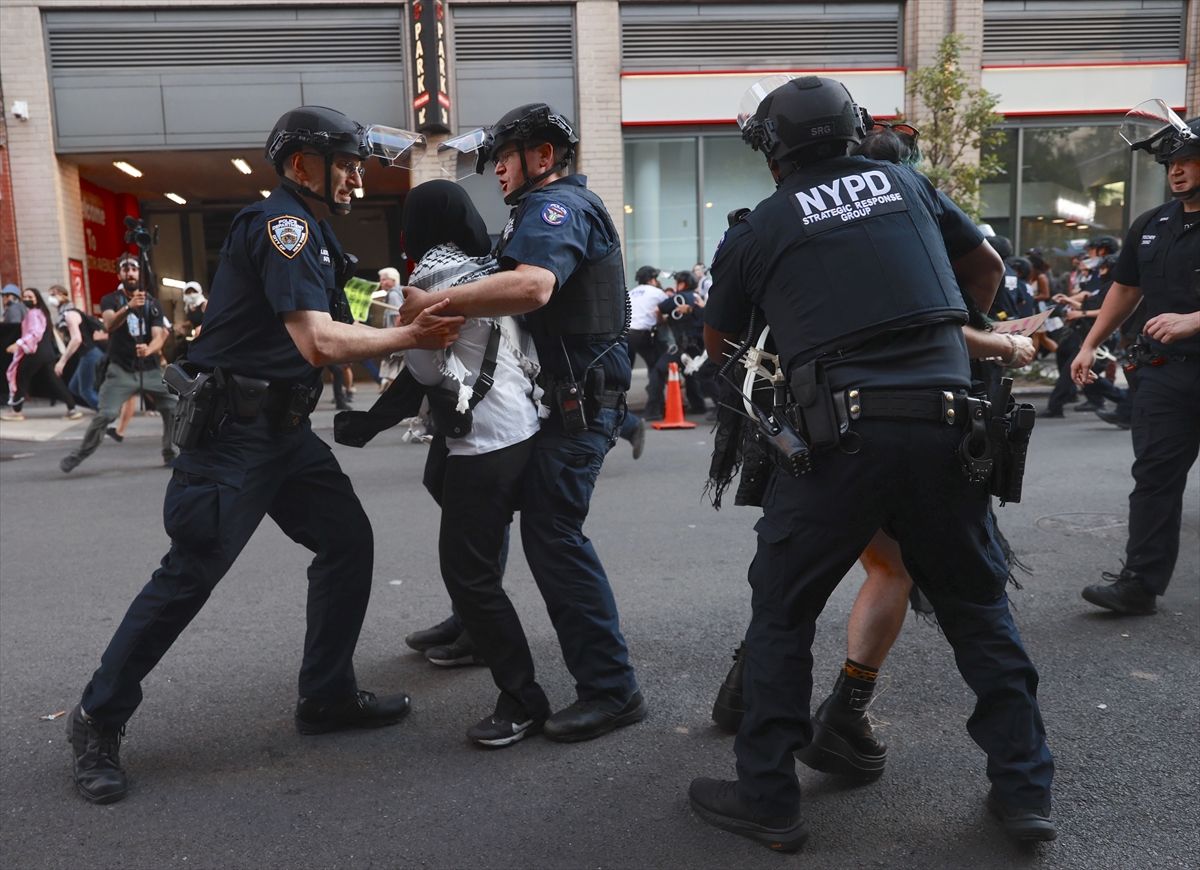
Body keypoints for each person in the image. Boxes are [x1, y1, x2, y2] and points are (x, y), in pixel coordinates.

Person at [689, 76, 1055, 851]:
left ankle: (768, 799)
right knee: (979, 608)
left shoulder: (762, 226)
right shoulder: (905, 184)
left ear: (772, 149)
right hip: (948, 427)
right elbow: (983, 270)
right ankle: (1024, 793)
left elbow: (721, 347)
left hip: (836, 442)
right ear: (855, 129)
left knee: (784, 611)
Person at [64, 105, 463, 805]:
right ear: (302, 164)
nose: (355, 176)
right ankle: (98, 717)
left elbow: (335, 324)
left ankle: (327, 697)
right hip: (234, 438)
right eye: (343, 163)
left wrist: (398, 312)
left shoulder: (313, 234)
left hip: (283, 432)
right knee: (189, 576)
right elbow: (318, 342)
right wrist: (412, 340)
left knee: (347, 541)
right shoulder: (283, 226)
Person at [401, 102, 646, 742]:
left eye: (504, 158)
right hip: (557, 398)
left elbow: (534, 288)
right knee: (455, 488)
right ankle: (475, 621)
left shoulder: (554, 208)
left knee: (552, 534)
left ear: (541, 156)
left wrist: (433, 301)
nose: (497, 172)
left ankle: (612, 690)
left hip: (580, 404)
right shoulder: (534, 211)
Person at [401, 179, 551, 746]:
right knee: (468, 544)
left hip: (481, 443)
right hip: (521, 430)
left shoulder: (428, 281)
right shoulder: (492, 271)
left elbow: (425, 371)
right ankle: (470, 635)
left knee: (469, 576)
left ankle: (522, 699)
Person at [1071, 105, 1200, 616]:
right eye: (1170, 161)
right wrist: (1088, 344)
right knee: (1154, 480)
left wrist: (1196, 319)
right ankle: (1139, 584)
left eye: (1188, 158)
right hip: (1166, 374)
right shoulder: (1152, 223)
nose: (1176, 168)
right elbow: (1126, 288)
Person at [59, 254, 177, 471]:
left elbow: (160, 334)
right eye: (125, 269)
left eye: (133, 269)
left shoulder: (152, 303)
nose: (130, 273)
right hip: (120, 369)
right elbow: (109, 325)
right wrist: (129, 307)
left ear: (140, 274)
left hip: (150, 369)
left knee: (173, 406)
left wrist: (148, 349)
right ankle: (79, 455)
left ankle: (170, 453)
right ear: (119, 274)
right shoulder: (110, 299)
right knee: (105, 414)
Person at [2, 287, 82, 421]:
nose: (27, 299)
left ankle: (16, 411)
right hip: (47, 353)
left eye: (30, 296)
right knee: (54, 381)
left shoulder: (34, 313)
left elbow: (34, 333)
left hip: (36, 353)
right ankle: (72, 408)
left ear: (37, 298)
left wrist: (19, 344)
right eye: (25, 297)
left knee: (20, 377)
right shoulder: (42, 313)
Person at [48, 284, 105, 410]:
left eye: (54, 294)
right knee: (74, 388)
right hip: (87, 354)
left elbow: (77, 339)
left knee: (86, 391)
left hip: (89, 353)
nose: (51, 298)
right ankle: (102, 409)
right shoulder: (65, 315)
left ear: (63, 296)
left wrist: (62, 361)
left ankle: (106, 414)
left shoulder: (70, 314)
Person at [377, 267, 405, 391]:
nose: (381, 283)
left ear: (393, 280)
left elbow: (398, 316)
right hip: (396, 335)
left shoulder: (393, 294)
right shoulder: (396, 292)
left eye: (384, 280)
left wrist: (394, 336)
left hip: (394, 336)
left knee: (392, 368)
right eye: (381, 280)